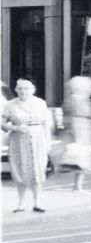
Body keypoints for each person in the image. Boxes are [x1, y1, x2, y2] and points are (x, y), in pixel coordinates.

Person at [3, 79, 53, 212]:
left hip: (38, 140)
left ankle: (37, 202)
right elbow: (2, 123)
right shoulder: (10, 105)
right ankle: (21, 203)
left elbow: (46, 124)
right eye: (20, 88)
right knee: (20, 170)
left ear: (33, 89)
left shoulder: (40, 103)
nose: (23, 91)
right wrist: (16, 128)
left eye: (26, 88)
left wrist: (48, 143)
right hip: (18, 140)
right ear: (16, 90)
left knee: (38, 170)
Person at [60, 76, 91, 191]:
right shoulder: (77, 99)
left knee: (82, 160)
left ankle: (78, 186)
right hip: (80, 131)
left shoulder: (79, 99)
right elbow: (73, 119)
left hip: (83, 130)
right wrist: (78, 137)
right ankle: (77, 187)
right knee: (80, 159)